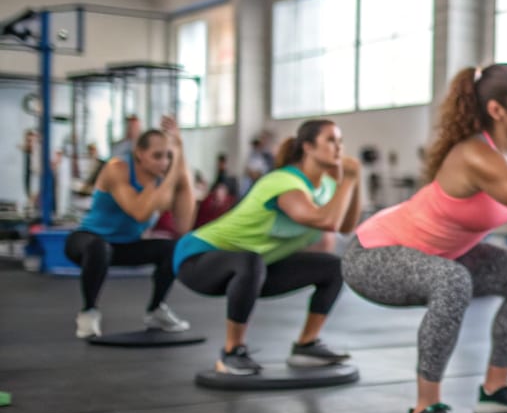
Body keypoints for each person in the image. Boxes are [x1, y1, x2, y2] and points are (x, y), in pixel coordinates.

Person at [341, 64, 507, 413]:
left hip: (441, 254)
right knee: (452, 279)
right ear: (497, 110)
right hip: (374, 255)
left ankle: (496, 390)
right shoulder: (475, 156)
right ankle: (423, 412)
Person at [173, 119, 361, 375]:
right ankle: (232, 353)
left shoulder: (326, 187)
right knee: (249, 260)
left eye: (340, 141)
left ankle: (307, 345)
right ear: (308, 147)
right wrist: (348, 182)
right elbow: (325, 220)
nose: (339, 148)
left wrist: (354, 182)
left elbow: (345, 226)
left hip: (254, 268)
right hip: (196, 259)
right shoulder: (283, 181)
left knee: (334, 267)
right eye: (330, 140)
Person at [65, 117, 196, 339]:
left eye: (168, 156)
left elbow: (183, 226)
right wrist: (169, 176)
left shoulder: (161, 179)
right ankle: (88, 312)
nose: (164, 163)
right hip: (86, 242)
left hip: (125, 246)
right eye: (157, 156)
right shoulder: (117, 168)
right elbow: (139, 212)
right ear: (139, 154)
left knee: (175, 248)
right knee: (99, 247)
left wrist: (180, 158)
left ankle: (156, 310)